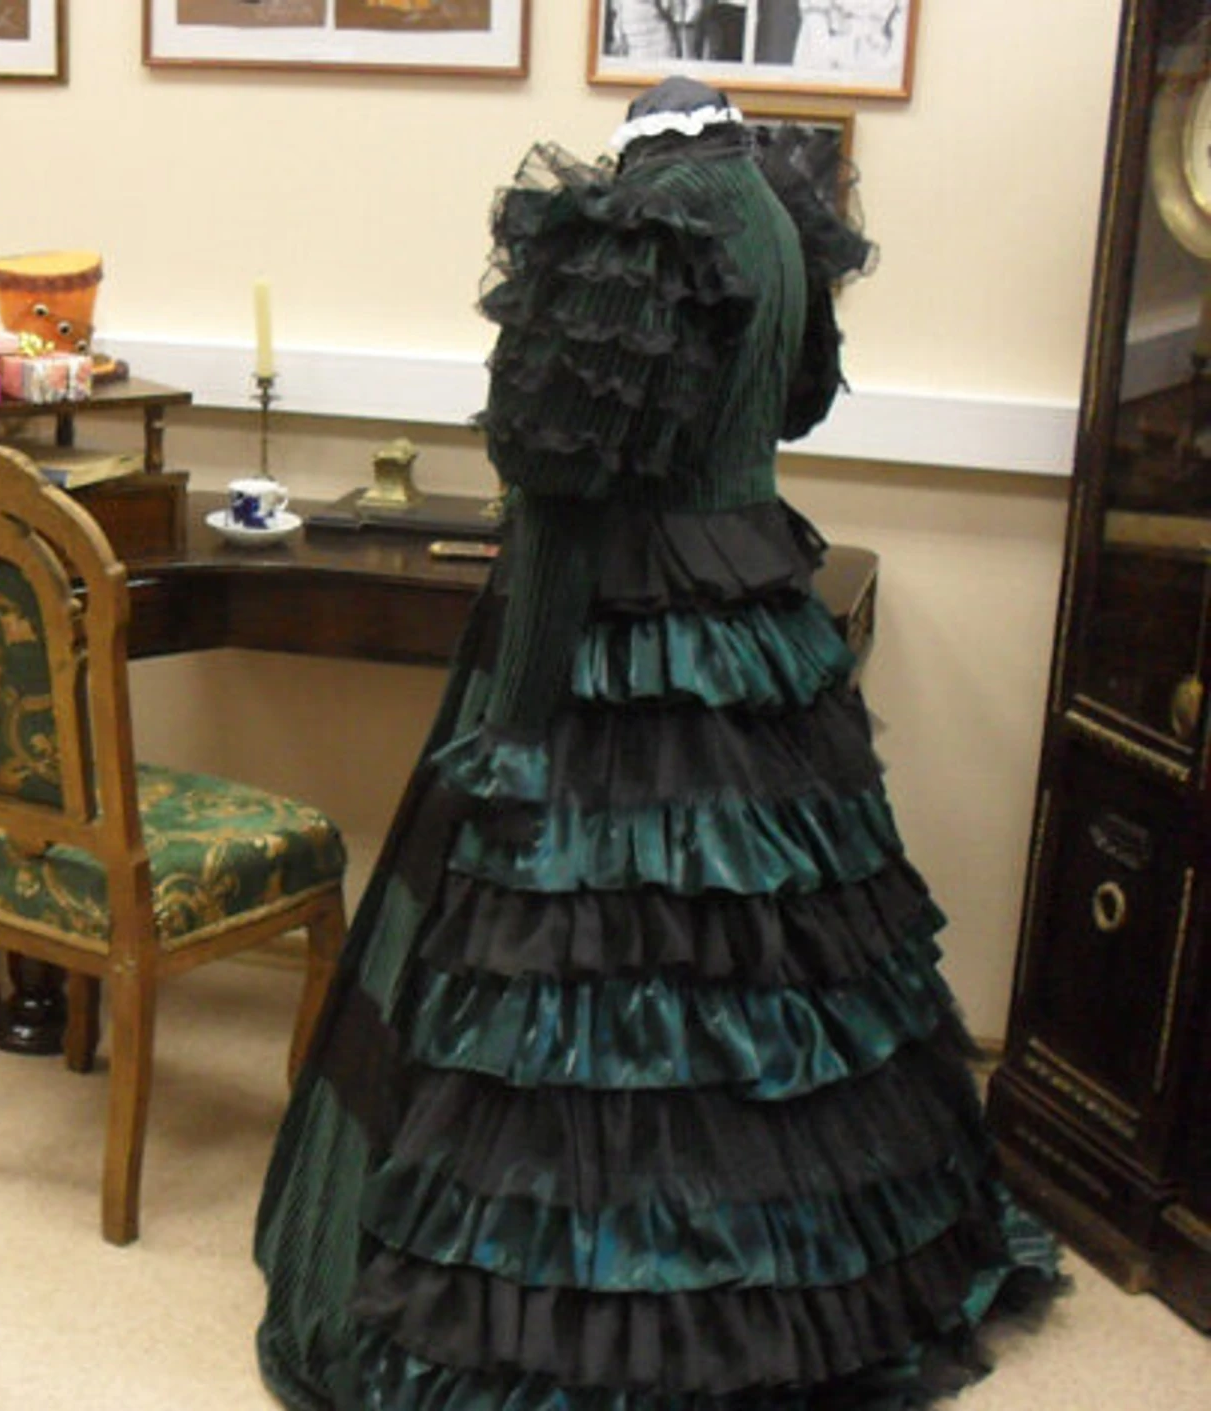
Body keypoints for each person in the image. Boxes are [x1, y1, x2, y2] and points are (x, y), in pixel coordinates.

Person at [252, 77, 1061, 1410]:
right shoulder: (775, 214)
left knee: (593, 957)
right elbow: (788, 412)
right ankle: (774, 1286)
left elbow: (559, 477)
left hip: (624, 637)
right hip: (752, 619)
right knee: (758, 956)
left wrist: (515, 713)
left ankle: (605, 1316)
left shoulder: (642, 220)